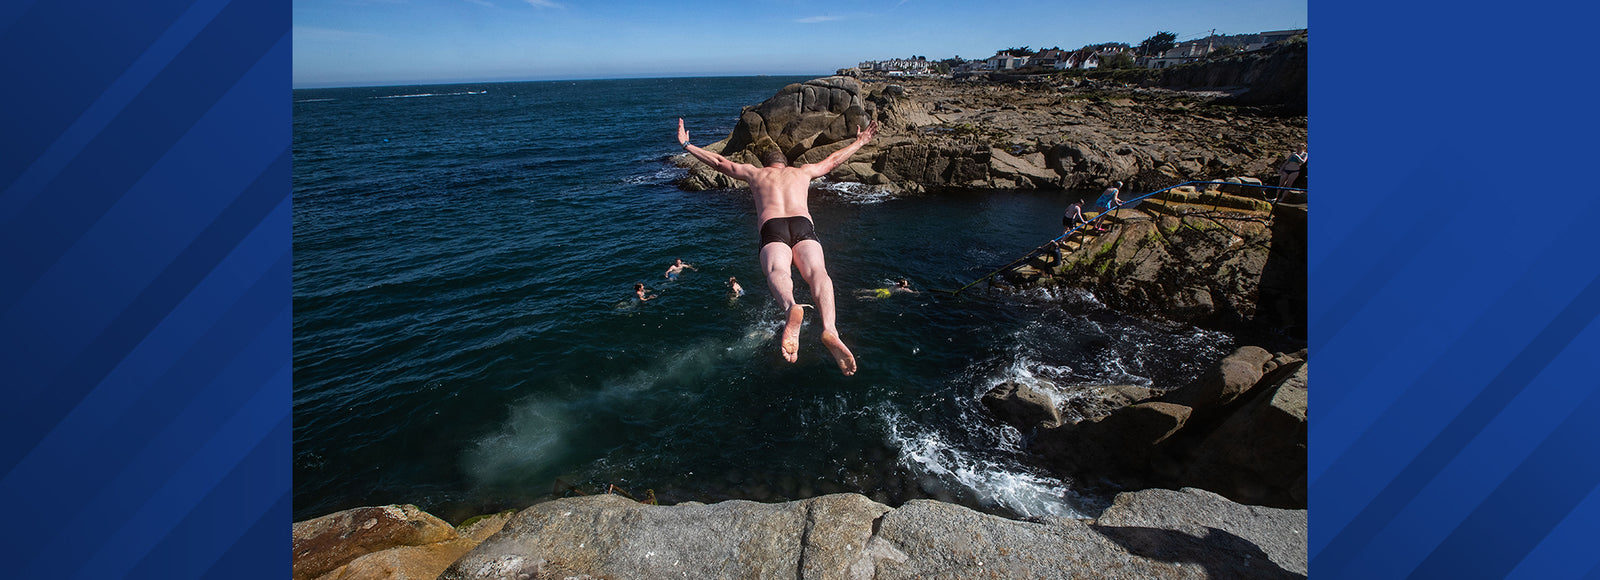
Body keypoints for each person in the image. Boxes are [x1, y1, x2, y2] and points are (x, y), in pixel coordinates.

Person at [677, 117, 879, 375]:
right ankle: (830, 328)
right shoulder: (802, 171)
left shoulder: (756, 173)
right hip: (802, 224)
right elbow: (833, 160)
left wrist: (687, 145)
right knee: (818, 273)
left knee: (777, 271)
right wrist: (860, 142)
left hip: (772, 226)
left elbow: (719, 162)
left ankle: (790, 307)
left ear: (767, 164)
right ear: (787, 164)